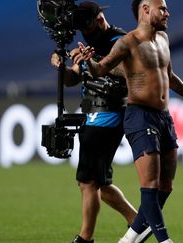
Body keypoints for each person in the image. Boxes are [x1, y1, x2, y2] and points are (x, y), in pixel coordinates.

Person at [75, 0, 183, 242]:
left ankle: (128, 240)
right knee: (151, 185)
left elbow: (170, 77)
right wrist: (86, 61)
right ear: (145, 10)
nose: (167, 12)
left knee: (166, 186)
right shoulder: (127, 42)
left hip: (164, 116)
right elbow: (100, 70)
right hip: (140, 115)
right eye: (162, 8)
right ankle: (165, 240)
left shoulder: (163, 39)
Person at [50, 2, 138, 243]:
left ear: (100, 19)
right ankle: (139, 221)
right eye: (82, 30)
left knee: (87, 180)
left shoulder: (120, 40)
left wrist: (93, 58)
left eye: (88, 27)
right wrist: (62, 67)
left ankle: (85, 238)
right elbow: (72, 79)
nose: (86, 33)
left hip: (109, 113)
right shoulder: (88, 42)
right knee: (98, 182)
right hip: (91, 113)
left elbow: (127, 72)